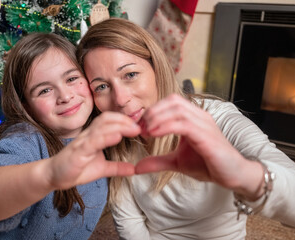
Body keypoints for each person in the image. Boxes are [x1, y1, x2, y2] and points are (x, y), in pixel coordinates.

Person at [77, 18, 295, 239]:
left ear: (156, 68)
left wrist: (244, 174)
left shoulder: (216, 119)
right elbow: (130, 223)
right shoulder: (116, 139)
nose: (121, 99)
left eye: (130, 75)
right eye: (102, 87)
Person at [0, 32, 141, 239]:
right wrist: (50, 173)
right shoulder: (25, 138)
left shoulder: (101, 133)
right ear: (26, 106)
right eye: (44, 91)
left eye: (71, 78)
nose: (65, 96)